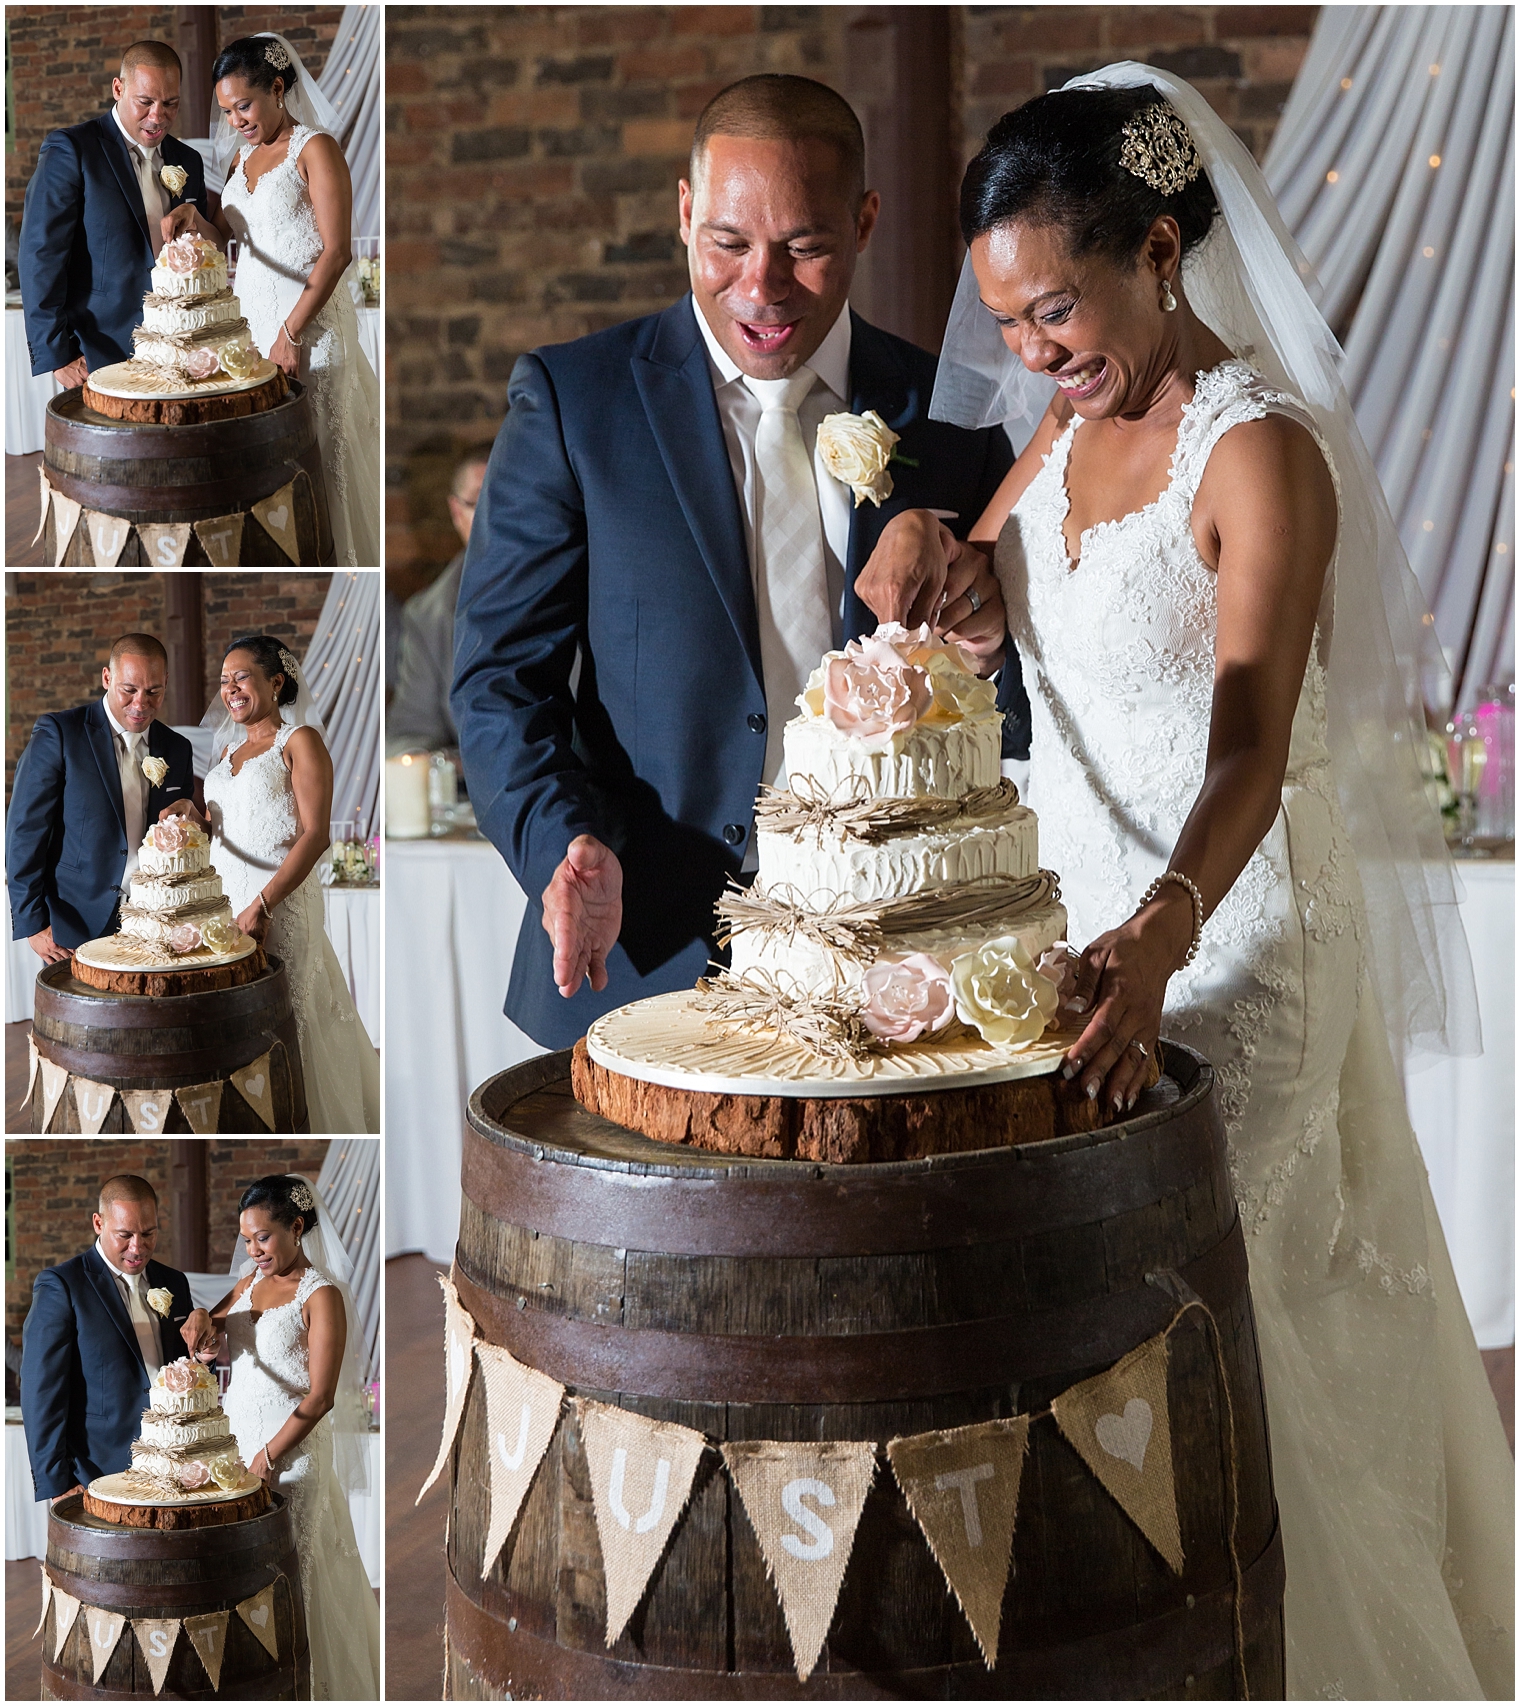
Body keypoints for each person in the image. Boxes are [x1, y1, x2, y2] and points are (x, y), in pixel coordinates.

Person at [862, 68, 1513, 1699]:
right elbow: (1021, 621)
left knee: (1230, 1325)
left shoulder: (1259, 453)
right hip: (1073, 935)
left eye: (1057, 308)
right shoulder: (1060, 429)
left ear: (1162, 251)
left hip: (1228, 933)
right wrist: (941, 572)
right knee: (1092, 1331)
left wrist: (1163, 924)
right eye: (1008, 320)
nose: (1030, 351)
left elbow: (1244, 745)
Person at [454, 74, 1024, 1050]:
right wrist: (568, 841)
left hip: (892, 972)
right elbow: (501, 682)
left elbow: (1013, 699)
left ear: (863, 222)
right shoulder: (573, 402)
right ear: (685, 213)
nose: (760, 287)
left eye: (803, 246)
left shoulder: (954, 412)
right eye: (727, 242)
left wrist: (991, 644)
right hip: (640, 956)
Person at [161, 34, 379, 566]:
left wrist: (291, 332)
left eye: (244, 106)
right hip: (252, 338)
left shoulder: (315, 148)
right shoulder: (242, 159)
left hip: (308, 333)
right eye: (226, 111)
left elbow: (337, 252)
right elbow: (243, 245)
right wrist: (199, 224)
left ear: (277, 89)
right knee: (276, 467)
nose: (235, 120)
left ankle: (342, 561)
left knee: (323, 460)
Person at [183, 1175, 378, 1699]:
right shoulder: (248, 1281)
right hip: (236, 1451)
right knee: (245, 1577)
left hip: (286, 1459)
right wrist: (203, 1321)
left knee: (293, 1578)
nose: (252, 1250)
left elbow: (320, 1396)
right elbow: (216, 1327)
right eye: (246, 1239)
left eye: (263, 1238)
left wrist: (269, 1456)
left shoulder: (321, 1296)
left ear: (296, 1227)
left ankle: (305, 1688)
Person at [196, 634, 379, 1132]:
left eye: (241, 678)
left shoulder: (299, 742)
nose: (229, 689)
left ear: (276, 682)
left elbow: (316, 835)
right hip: (224, 909)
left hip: (276, 905)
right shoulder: (228, 752)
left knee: (289, 1018)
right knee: (241, 1019)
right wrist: (190, 816)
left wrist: (263, 904)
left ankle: (307, 1121)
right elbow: (227, 829)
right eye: (223, 681)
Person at [18, 40, 209, 387]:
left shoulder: (189, 160)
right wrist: (58, 354)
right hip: (98, 352)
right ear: (118, 88)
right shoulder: (72, 149)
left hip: (182, 346)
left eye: (170, 103)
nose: (158, 116)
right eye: (145, 102)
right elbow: (40, 254)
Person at [6, 633, 194, 964]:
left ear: (166, 683)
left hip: (156, 921)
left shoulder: (178, 748)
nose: (141, 703)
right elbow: (24, 831)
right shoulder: (60, 733)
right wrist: (33, 924)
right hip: (74, 924)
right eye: (129, 690)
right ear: (107, 678)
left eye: (153, 692)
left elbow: (182, 831)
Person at [20, 1175, 193, 1502]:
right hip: (95, 1472)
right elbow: (41, 1391)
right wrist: (57, 1484)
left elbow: (186, 1370)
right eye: (124, 1235)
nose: (137, 1247)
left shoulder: (175, 1282)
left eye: (149, 1233)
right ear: (98, 1223)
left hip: (173, 1465)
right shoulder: (62, 1285)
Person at [386, 446, 490, 760]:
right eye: (480, 502)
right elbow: (410, 732)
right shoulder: (427, 616)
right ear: (457, 512)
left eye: (508, 498)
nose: (495, 515)